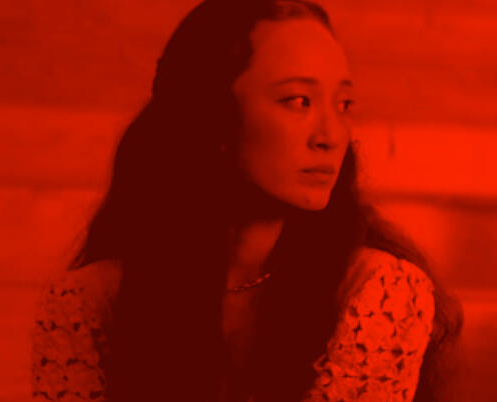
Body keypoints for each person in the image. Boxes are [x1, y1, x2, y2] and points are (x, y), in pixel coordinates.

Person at [30, 0, 465, 401]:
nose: (331, 136)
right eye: (298, 101)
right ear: (211, 113)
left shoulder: (379, 292)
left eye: (344, 104)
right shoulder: (88, 302)